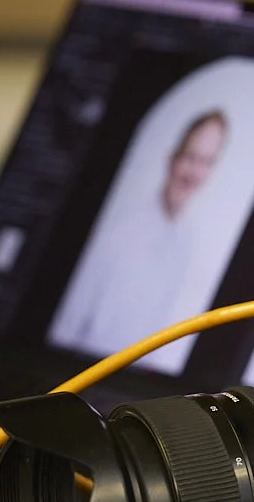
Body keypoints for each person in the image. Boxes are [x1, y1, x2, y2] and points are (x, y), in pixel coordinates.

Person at [48, 110, 229, 372]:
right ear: (172, 158)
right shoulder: (117, 231)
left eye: (206, 162)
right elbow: (63, 330)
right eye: (190, 157)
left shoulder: (187, 241)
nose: (194, 173)